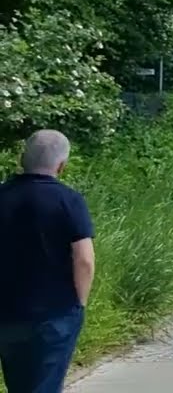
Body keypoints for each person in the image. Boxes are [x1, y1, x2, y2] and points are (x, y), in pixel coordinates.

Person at [0, 130, 96, 393]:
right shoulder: (68, 200)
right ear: (61, 165)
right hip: (54, 313)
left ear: (22, 158)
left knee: (18, 385)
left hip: (6, 313)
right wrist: (80, 303)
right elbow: (84, 259)